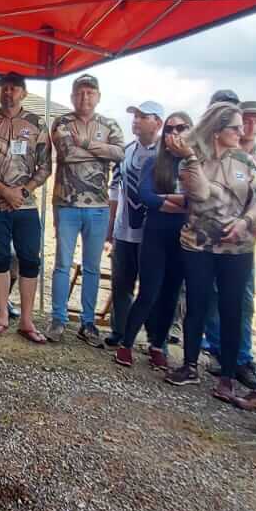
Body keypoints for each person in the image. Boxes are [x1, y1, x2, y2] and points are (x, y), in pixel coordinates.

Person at [167, 101, 256, 398]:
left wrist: (245, 222)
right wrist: (192, 159)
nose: (242, 131)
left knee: (232, 308)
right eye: (235, 127)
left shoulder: (246, 161)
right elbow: (198, 194)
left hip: (237, 246)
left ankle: (227, 376)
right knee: (197, 303)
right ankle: (189, 365)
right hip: (199, 243)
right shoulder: (191, 159)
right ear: (217, 131)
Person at [201, 98, 256, 384]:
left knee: (242, 300)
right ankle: (216, 350)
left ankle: (242, 359)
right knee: (209, 296)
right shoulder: (212, 155)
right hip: (209, 239)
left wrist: (250, 227)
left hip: (244, 242)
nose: (252, 125)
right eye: (247, 119)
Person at [0, 71, 52, 341]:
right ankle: (2, 315)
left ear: (23, 93)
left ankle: (27, 320)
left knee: (30, 259)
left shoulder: (37, 124)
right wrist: (4, 191)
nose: (8, 93)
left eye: (14, 88)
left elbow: (45, 166)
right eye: (4, 88)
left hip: (26, 206)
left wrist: (23, 191)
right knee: (0, 258)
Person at [48, 74, 124, 343]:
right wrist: (99, 151)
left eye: (90, 93)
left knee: (92, 266)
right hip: (67, 204)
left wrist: (85, 143)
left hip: (99, 207)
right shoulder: (62, 122)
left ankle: (88, 322)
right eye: (80, 92)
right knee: (62, 264)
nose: (85, 97)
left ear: (98, 96)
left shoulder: (110, 124)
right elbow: (66, 154)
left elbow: (119, 153)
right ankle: (58, 319)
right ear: (72, 96)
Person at [114, 111, 192, 370]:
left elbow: (201, 200)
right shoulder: (155, 163)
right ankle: (126, 344)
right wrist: (182, 204)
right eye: (169, 129)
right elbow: (147, 197)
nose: (174, 134)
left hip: (182, 238)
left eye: (181, 128)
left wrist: (169, 200)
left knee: (171, 294)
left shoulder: (196, 164)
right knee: (148, 291)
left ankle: (157, 345)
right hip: (155, 233)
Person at [106, 100, 163, 347]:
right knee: (121, 283)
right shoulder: (125, 151)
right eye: (135, 115)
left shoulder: (166, 156)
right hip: (124, 230)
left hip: (153, 234)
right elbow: (114, 190)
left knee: (152, 288)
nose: (136, 120)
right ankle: (119, 331)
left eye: (143, 116)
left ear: (158, 123)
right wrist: (110, 228)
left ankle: (154, 336)